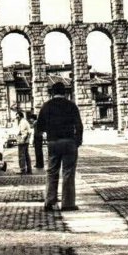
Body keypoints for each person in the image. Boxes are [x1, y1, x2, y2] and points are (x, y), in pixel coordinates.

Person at [37, 82, 83, 211]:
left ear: (52, 93)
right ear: (65, 92)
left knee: (52, 172)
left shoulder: (46, 106)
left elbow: (39, 127)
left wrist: (49, 131)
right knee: (68, 172)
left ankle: (49, 201)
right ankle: (68, 204)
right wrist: (77, 141)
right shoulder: (71, 105)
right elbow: (79, 125)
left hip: (53, 142)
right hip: (69, 141)